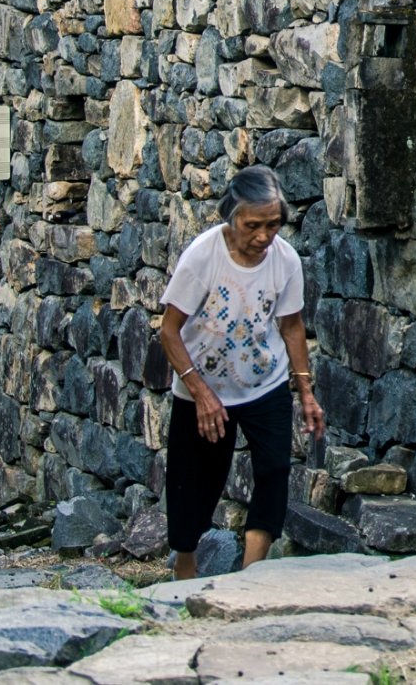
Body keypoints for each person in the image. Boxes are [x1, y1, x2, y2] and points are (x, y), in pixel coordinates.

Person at [158, 165, 324, 579]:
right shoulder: (203, 257)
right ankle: (184, 566)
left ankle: (251, 577)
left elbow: (291, 326)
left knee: (274, 470)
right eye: (254, 225)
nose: (264, 236)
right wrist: (200, 392)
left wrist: (305, 391)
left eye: (273, 225)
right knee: (194, 482)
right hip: (204, 387)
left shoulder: (285, 260)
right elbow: (169, 330)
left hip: (263, 382)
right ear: (231, 218)